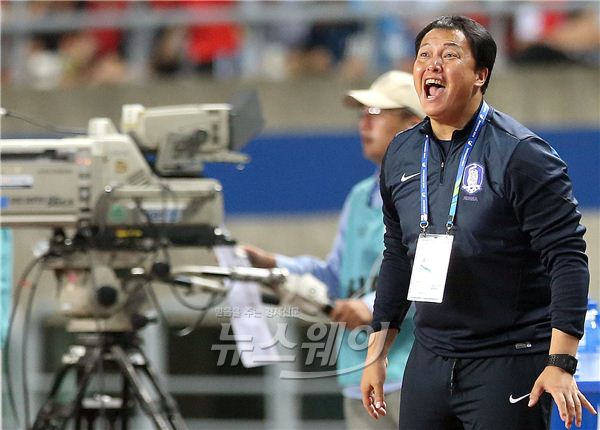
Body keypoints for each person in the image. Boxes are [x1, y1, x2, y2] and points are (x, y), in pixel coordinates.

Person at [360, 15, 597, 430]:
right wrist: (376, 356)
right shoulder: (401, 153)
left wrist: (561, 361)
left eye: (449, 55)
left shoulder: (522, 154)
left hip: (507, 359)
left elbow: (567, 257)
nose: (432, 64)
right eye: (424, 55)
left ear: (480, 75)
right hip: (429, 358)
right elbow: (398, 255)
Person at [243, 70, 424, 430]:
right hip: (359, 379)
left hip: (413, 376)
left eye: (375, 114)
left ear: (412, 125)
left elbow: (432, 275)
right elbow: (334, 274)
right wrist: (274, 265)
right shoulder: (360, 197)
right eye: (362, 114)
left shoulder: (430, 193)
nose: (363, 124)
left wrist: (372, 307)